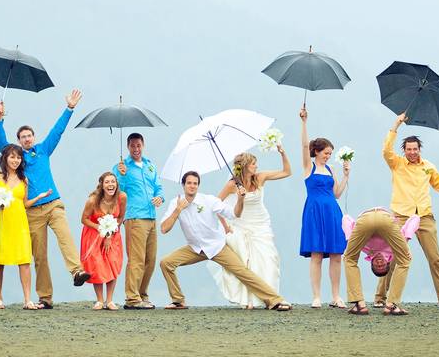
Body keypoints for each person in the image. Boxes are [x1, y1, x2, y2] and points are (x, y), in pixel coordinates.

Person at [0, 90, 91, 308]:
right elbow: (0, 142)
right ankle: (45, 297)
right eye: (23, 137)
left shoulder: (44, 150)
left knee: (65, 235)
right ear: (18, 141)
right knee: (40, 255)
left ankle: (77, 271)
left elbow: (57, 131)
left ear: (33, 137)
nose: (27, 139)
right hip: (32, 211)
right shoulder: (17, 157)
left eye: (29, 135)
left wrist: (69, 108)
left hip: (53, 204)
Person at [159, 170, 292, 311]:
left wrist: (240, 199)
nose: (192, 186)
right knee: (166, 263)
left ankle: (275, 300)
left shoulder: (209, 201)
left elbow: (235, 214)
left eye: (195, 183)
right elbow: (164, 229)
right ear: (183, 185)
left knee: (242, 272)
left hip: (217, 247)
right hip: (195, 248)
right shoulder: (176, 203)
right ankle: (178, 301)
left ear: (198, 186)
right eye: (189, 183)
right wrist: (178, 210)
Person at [375, 112, 439, 309]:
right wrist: (395, 125)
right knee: (393, 256)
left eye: (415, 149)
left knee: (435, 258)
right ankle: (380, 297)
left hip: (424, 216)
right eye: (409, 149)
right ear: (404, 150)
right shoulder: (397, 163)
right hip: (400, 215)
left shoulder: (428, 166)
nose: (412, 152)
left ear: (420, 149)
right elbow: (385, 151)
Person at [208, 144, 291, 308]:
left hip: (261, 224)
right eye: (253, 163)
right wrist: (225, 225)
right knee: (247, 263)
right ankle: (248, 301)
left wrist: (283, 153)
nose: (256, 166)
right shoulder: (233, 185)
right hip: (240, 225)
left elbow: (286, 172)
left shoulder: (260, 177)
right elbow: (215, 205)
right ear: (245, 166)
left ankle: (269, 298)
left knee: (268, 259)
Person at [0, 144, 50, 310]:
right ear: (5, 158)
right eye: (12, 157)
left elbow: (24, 203)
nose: (15, 160)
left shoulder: (23, 179)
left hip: (19, 223)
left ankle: (27, 299)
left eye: (18, 157)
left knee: (24, 260)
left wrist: (39, 197)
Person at [298, 106, 348, 309]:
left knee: (336, 254)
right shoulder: (308, 167)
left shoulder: (331, 169)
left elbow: (336, 193)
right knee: (317, 254)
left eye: (330, 153)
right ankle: (316, 296)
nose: (328, 156)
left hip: (332, 211)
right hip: (314, 211)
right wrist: (304, 122)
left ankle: (336, 296)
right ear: (317, 152)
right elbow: (303, 146)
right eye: (326, 153)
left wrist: (346, 175)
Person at [114, 133, 164, 309]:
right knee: (136, 259)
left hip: (151, 217)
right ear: (128, 147)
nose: (136, 149)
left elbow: (158, 187)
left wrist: (160, 198)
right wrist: (121, 175)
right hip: (135, 217)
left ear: (143, 145)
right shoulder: (122, 167)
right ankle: (132, 298)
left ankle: (142, 294)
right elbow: (117, 190)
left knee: (150, 259)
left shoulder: (150, 166)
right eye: (132, 146)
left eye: (138, 145)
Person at [341, 207, 418, 315]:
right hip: (385, 219)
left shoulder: (365, 248)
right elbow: (415, 218)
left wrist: (349, 241)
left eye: (377, 267)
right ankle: (391, 305)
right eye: (383, 266)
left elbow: (346, 219)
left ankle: (359, 304)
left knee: (349, 258)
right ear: (388, 262)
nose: (380, 264)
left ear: (371, 261)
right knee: (405, 260)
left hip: (365, 219)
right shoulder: (392, 250)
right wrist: (405, 242)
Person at [80, 171, 127, 310]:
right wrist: (101, 228)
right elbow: (84, 219)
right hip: (94, 235)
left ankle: (110, 300)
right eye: (107, 182)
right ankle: (100, 300)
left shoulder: (122, 197)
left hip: (113, 235)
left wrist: (110, 233)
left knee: (112, 263)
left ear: (116, 184)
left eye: (113, 182)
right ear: (102, 185)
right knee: (97, 265)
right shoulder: (93, 201)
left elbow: (120, 217)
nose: (111, 185)